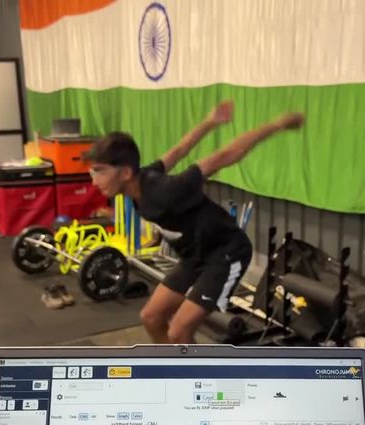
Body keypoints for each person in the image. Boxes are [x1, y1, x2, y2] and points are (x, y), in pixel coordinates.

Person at [85, 102, 304, 343]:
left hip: (225, 254)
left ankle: (192, 366)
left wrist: (277, 125)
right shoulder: (141, 180)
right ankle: (174, 363)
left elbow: (225, 156)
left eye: (99, 171)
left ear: (125, 173)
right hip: (194, 257)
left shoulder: (166, 190)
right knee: (151, 317)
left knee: (179, 331)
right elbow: (179, 150)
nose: (94, 180)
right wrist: (210, 122)